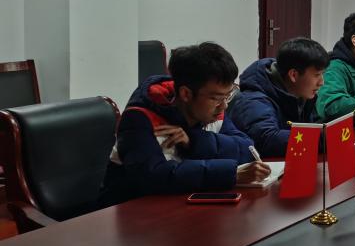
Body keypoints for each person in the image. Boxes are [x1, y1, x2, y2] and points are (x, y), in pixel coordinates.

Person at [104, 42, 270, 201]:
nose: (224, 106)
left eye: (228, 96)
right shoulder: (140, 118)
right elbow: (153, 176)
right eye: (217, 98)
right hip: (131, 210)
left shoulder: (212, 112)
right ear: (186, 94)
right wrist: (230, 173)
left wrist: (193, 141)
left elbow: (247, 149)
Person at [227, 37, 329, 157]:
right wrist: (323, 139)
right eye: (317, 75)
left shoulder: (301, 92)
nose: (321, 82)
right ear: (293, 75)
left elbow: (313, 125)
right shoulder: (253, 100)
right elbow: (267, 139)